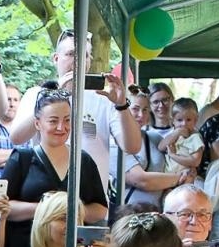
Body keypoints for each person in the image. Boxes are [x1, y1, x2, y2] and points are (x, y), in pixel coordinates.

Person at [9, 30, 142, 185]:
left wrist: (122, 105)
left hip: (92, 200)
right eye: (71, 54)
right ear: (56, 58)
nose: (77, 61)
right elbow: (17, 137)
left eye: (84, 55)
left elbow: (132, 147)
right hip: (47, 198)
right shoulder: (36, 94)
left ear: (89, 61)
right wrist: (56, 95)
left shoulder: (104, 98)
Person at [0, 87, 109, 247]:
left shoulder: (83, 161)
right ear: (38, 123)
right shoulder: (22, 158)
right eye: (53, 121)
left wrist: (72, 212)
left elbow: (100, 209)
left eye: (67, 121)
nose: (60, 128)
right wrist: (47, 209)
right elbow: (1, 205)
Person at [158, 97, 206, 173]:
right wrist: (177, 133)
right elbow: (161, 147)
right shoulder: (174, 136)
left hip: (185, 176)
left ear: (195, 120)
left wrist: (173, 155)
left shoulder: (195, 138)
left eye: (188, 120)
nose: (184, 124)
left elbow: (195, 161)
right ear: (172, 121)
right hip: (167, 176)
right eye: (179, 120)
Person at [0, 83, 21, 182]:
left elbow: (29, 161)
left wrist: (2, 156)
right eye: (8, 99)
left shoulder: (24, 132)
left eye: (15, 100)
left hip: (16, 192)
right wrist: (18, 155)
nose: (12, 104)